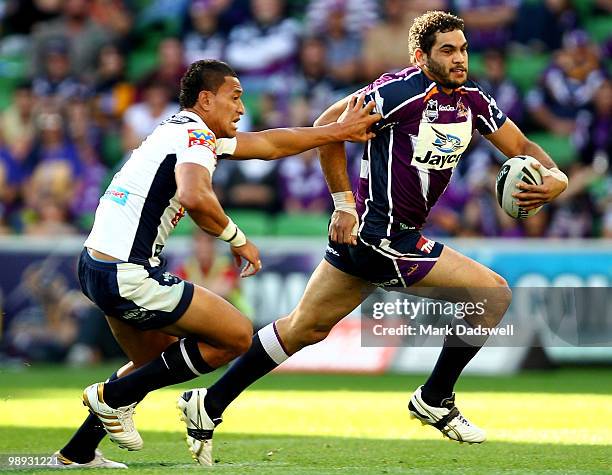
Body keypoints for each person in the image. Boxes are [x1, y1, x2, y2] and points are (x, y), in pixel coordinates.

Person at [176, 11, 569, 465]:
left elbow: (521, 148)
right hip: (379, 237)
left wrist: (555, 175)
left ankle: (209, 402)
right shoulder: (398, 92)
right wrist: (343, 202)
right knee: (492, 296)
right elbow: (328, 127)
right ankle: (436, 398)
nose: (459, 58)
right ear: (421, 56)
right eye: (447, 50)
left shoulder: (473, 102)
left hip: (376, 238)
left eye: (463, 49)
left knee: (303, 327)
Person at [50, 59, 380, 468]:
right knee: (236, 336)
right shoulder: (195, 136)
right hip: (128, 272)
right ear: (206, 100)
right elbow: (194, 195)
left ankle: (77, 451)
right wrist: (237, 240)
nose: (242, 108)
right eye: (235, 97)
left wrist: (335, 132)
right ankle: (110, 397)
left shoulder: (181, 128)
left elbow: (272, 144)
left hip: (96, 264)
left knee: (150, 366)